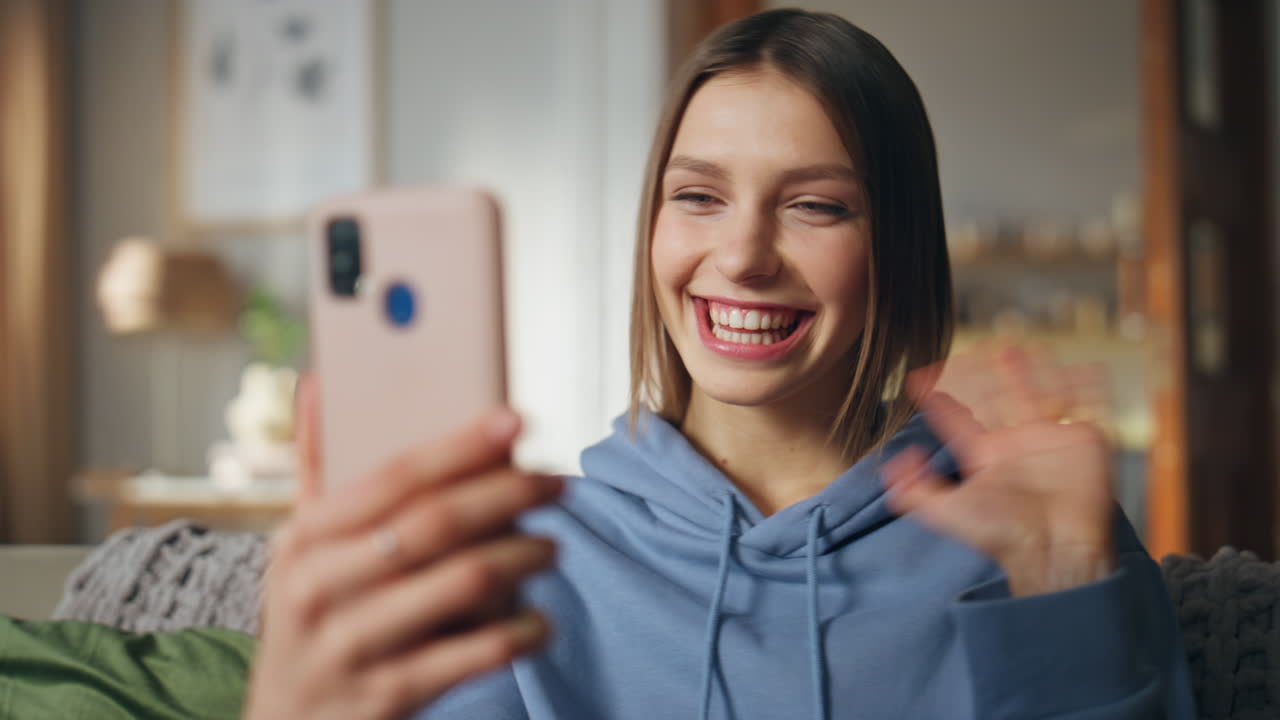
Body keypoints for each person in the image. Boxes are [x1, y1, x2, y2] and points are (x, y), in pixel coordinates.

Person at [244, 9, 1196, 720]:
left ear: (898, 249)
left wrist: (1064, 591)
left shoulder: (1045, 531)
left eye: (816, 207)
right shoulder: (523, 556)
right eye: (698, 196)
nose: (742, 256)